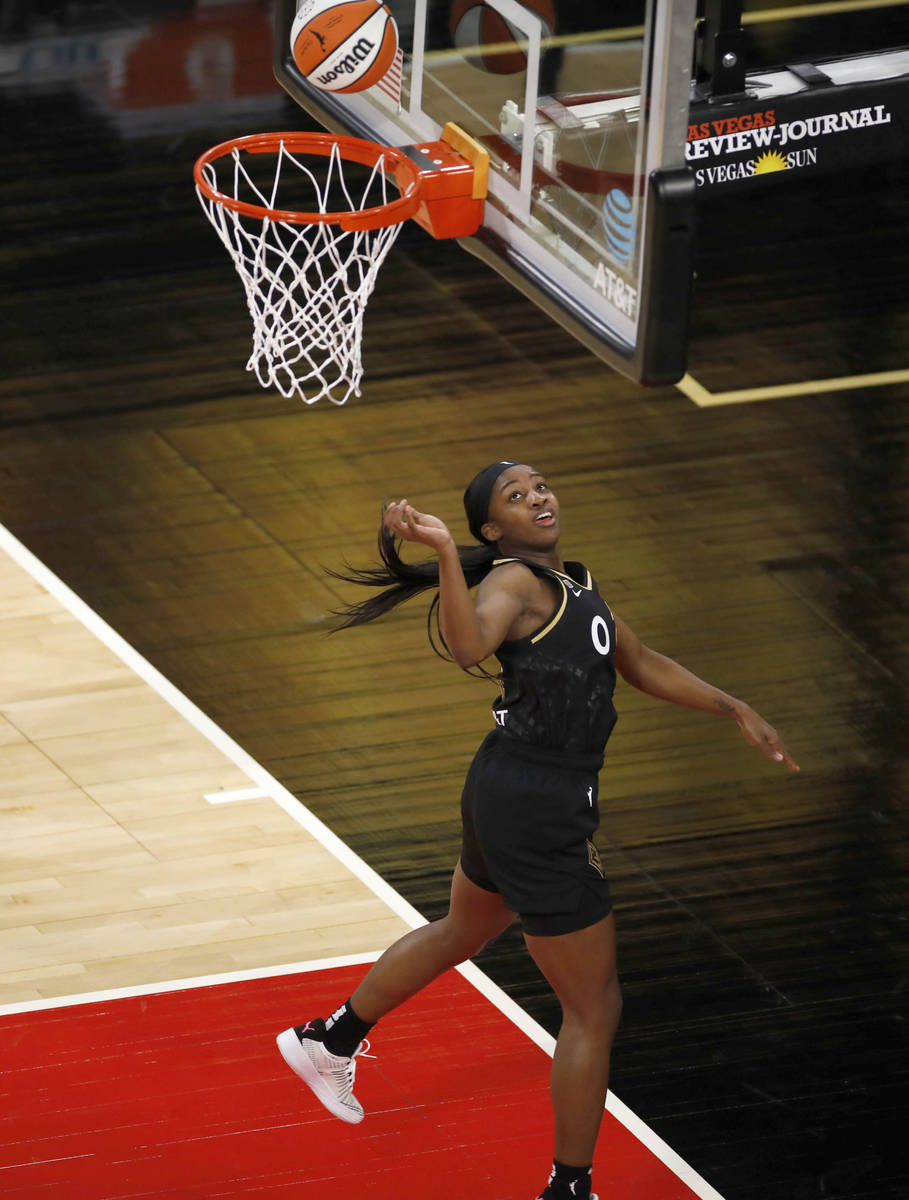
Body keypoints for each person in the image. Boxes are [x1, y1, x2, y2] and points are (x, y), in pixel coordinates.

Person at [276, 461, 799, 1200]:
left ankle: (328, 1039)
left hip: (506, 785)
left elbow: (641, 663)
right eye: (515, 498)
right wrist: (448, 560)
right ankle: (569, 1188)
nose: (538, 498)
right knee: (595, 1008)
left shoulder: (576, 586)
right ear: (494, 531)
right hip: (537, 803)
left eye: (540, 486)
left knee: (464, 928)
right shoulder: (514, 583)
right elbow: (467, 646)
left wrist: (732, 706)